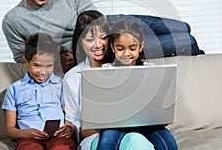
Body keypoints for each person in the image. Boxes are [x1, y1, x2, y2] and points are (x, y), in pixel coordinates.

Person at [63, 10, 155, 150]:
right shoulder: (72, 77)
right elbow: (74, 124)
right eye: (90, 40)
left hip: (134, 132)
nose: (98, 45)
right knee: (134, 141)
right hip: (95, 136)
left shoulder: (123, 63)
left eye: (103, 37)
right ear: (80, 42)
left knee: (136, 139)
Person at [2, 0, 96, 74]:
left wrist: (80, 54)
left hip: (89, 61)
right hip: (52, 75)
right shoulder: (13, 21)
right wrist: (54, 63)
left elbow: (97, 25)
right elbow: (22, 59)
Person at [95, 18, 178, 150]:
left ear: (140, 47)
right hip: (115, 124)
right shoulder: (106, 71)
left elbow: (160, 104)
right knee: (106, 144)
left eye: (132, 48)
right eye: (120, 48)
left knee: (169, 144)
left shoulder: (151, 69)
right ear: (112, 47)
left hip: (147, 123)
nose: (126, 53)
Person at [1, 33, 76, 150]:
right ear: (26, 62)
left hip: (57, 137)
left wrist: (70, 128)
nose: (43, 72)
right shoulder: (14, 89)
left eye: (49, 66)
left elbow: (70, 115)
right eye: (37, 65)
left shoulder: (61, 84)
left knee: (62, 147)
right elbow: (10, 130)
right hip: (28, 138)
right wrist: (26, 133)